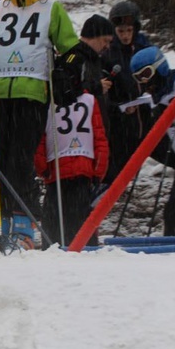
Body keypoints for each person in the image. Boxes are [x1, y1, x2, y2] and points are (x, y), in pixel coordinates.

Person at [0, 0, 79, 246]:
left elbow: (71, 48)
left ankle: (24, 228)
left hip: (31, 94)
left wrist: (68, 69)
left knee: (20, 161)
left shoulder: (51, 8)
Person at [130, 47, 175, 236]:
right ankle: (174, 240)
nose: (145, 82)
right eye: (138, 78)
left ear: (160, 68)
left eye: (146, 74)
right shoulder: (154, 98)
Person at [35, 85, 109, 249]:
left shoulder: (46, 101)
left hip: (55, 171)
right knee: (81, 226)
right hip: (81, 170)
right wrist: (99, 170)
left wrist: (41, 168)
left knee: (52, 228)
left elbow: (39, 137)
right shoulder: (90, 100)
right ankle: (85, 251)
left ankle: (53, 251)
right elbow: (100, 137)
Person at [103, 0, 153, 182]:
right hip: (122, 121)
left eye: (129, 30)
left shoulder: (146, 48)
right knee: (118, 167)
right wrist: (119, 107)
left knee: (172, 154)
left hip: (148, 115)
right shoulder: (108, 53)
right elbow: (103, 90)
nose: (125, 35)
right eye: (121, 31)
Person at [57, 14, 115, 131]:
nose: (107, 46)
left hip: (94, 128)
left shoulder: (95, 59)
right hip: (78, 132)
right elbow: (64, 91)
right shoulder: (74, 58)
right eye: (105, 41)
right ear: (93, 35)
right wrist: (96, 87)